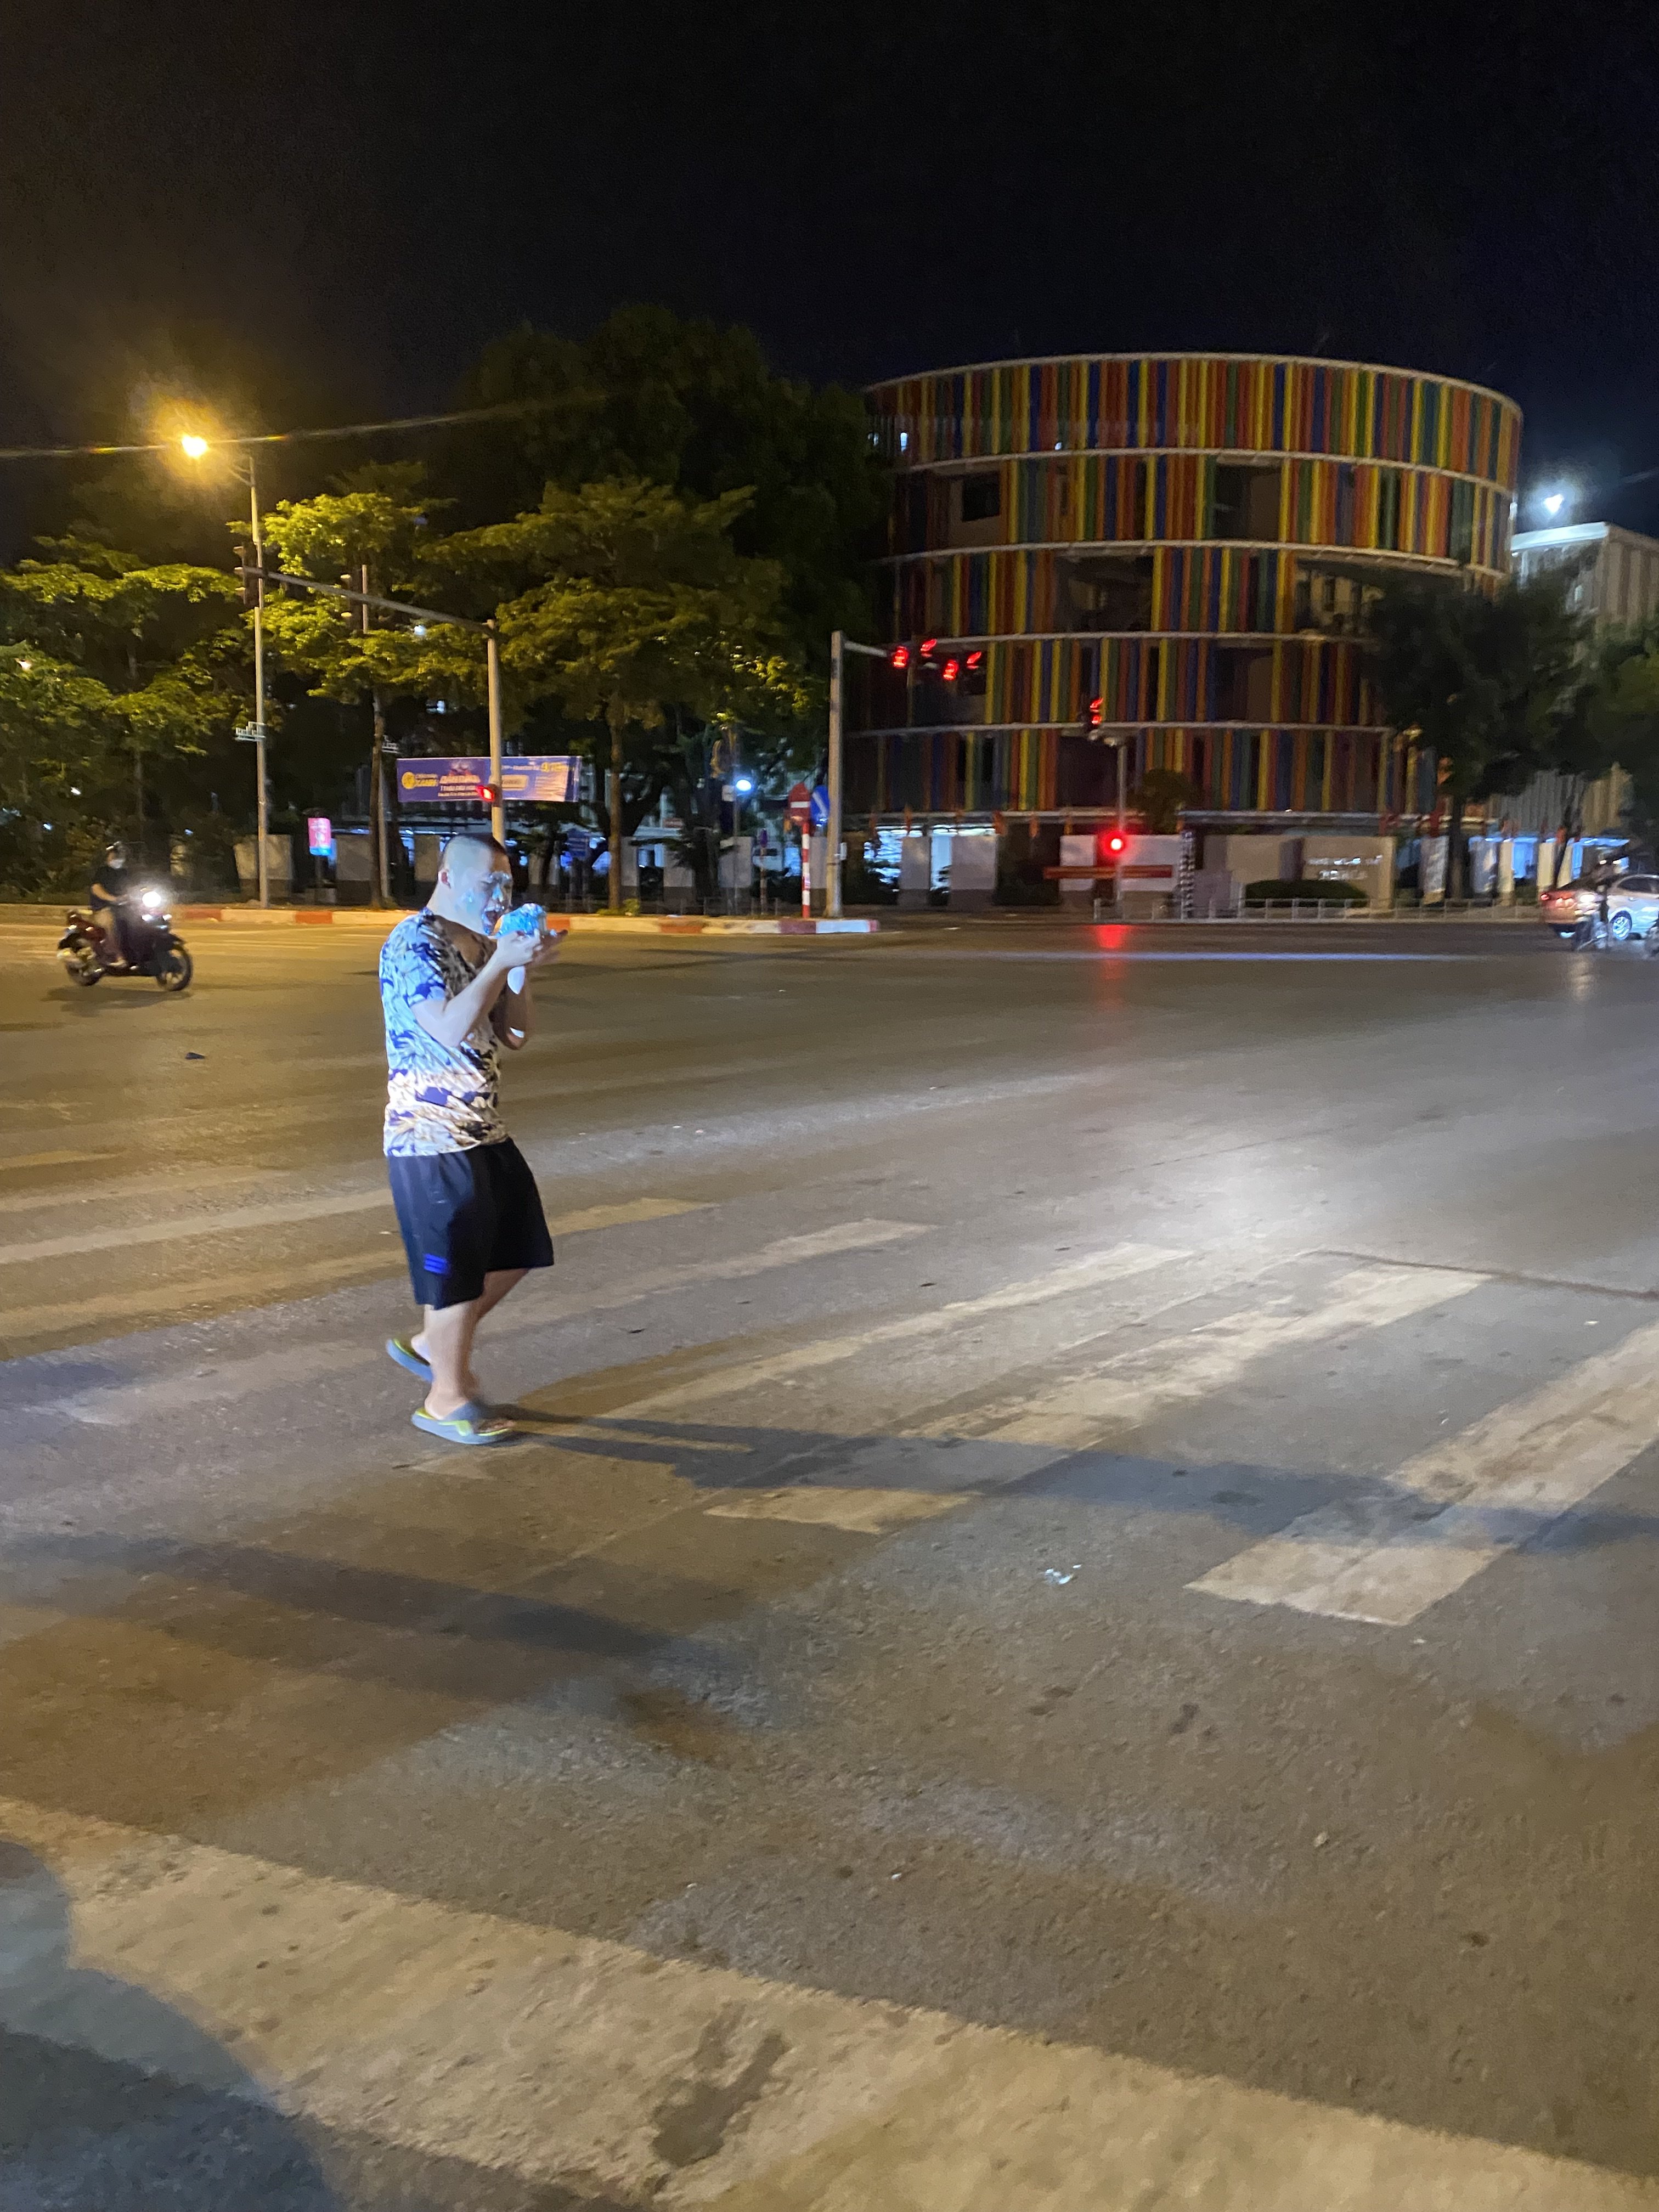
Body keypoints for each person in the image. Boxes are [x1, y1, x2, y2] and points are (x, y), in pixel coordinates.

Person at [378, 833, 561, 1443]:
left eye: (507, 884)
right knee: (457, 1270)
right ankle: (446, 1399)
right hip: (430, 1136)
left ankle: (434, 1344)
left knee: (519, 1249)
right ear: (448, 878)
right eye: (489, 884)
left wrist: (520, 969)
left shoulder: (482, 945)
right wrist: (502, 962)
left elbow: (515, 1036)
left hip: (483, 1128)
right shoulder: (415, 943)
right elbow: (449, 1028)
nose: (499, 897)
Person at [89, 839, 131, 966]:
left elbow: (133, 887)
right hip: (103, 908)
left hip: (123, 907)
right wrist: (112, 899)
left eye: (120, 856)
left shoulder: (125, 872)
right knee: (111, 923)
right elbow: (96, 888)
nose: (117, 858)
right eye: (114, 855)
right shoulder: (102, 872)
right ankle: (117, 956)